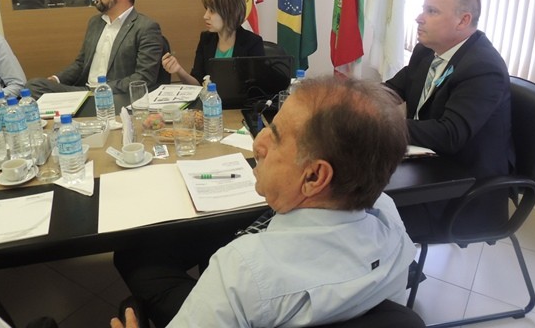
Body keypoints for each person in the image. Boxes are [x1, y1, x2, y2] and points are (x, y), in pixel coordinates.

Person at [113, 77, 416, 327]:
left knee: (135, 258)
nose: (258, 142)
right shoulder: (389, 219)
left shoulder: (241, 272)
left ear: (314, 177)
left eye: (276, 136)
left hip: (238, 304)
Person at [385, 0, 514, 237]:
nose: (419, 17)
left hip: (463, 189)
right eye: (423, 9)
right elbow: (392, 89)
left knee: (370, 214)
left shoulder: (483, 67)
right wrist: (351, 103)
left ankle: (389, 259)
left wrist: (381, 125)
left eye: (432, 11)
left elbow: (450, 134)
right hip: (428, 166)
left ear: (463, 20)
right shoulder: (427, 50)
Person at [26, 0, 165, 98]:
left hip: (115, 95)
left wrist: (103, 89)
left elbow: (144, 77)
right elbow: (81, 63)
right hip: (85, 92)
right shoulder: (95, 23)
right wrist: (57, 79)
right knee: (34, 86)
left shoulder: (145, 27)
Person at [161, 0, 264, 85]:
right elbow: (197, 84)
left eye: (212, 11)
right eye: (207, 10)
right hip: (209, 96)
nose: (205, 16)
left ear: (229, 12)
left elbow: (257, 87)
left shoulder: (252, 42)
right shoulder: (206, 39)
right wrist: (178, 69)